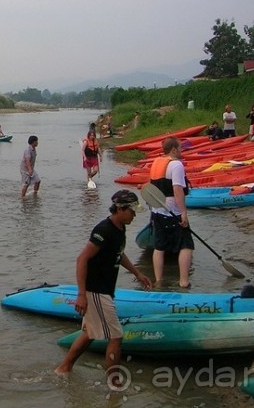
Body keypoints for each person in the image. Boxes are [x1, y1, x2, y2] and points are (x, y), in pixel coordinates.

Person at [54, 190, 152, 385]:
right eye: (132, 212)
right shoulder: (104, 230)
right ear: (120, 209)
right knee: (116, 336)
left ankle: (63, 369)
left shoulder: (120, 228)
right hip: (96, 291)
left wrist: (137, 273)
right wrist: (81, 295)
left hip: (104, 290)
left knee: (89, 333)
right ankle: (114, 383)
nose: (134, 216)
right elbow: (82, 259)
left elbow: (119, 253)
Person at [149, 136, 194, 288]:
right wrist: (183, 213)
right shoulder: (176, 165)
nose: (181, 151)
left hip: (157, 211)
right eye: (180, 148)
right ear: (174, 149)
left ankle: (159, 281)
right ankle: (183, 282)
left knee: (159, 247)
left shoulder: (156, 162)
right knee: (186, 245)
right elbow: (177, 189)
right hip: (173, 212)